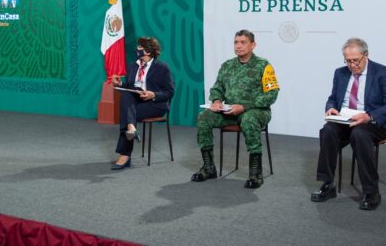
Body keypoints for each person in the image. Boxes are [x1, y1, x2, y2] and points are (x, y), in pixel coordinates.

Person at [311, 38, 386, 210]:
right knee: (328, 130)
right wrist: (331, 109)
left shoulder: (382, 72)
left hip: (372, 121)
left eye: (355, 60)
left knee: (359, 134)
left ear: (366, 55)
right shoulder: (340, 73)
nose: (351, 65)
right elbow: (332, 99)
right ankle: (328, 184)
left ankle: (371, 191)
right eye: (347, 60)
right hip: (346, 119)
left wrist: (369, 116)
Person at [192, 29, 279, 188]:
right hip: (229, 111)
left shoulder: (263, 65)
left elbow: (272, 94)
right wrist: (217, 100)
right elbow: (217, 88)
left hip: (257, 111)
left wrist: (244, 106)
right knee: (204, 117)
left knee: (249, 119)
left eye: (243, 42)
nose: (238, 46)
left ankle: (255, 173)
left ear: (253, 45)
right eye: (236, 42)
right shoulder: (227, 66)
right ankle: (208, 167)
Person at [109, 37, 174, 170]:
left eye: (140, 47)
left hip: (154, 105)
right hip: (136, 102)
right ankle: (131, 128)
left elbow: (169, 92)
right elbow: (129, 86)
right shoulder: (134, 65)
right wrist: (120, 83)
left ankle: (125, 154)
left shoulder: (162, 68)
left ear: (148, 51)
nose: (137, 49)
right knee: (126, 94)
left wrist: (153, 94)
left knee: (127, 112)